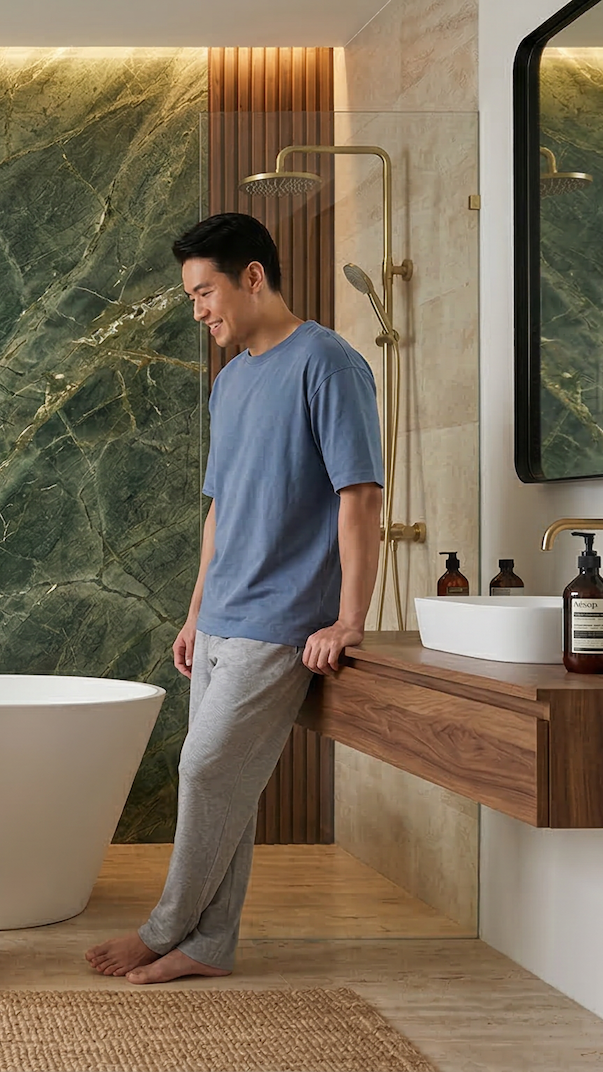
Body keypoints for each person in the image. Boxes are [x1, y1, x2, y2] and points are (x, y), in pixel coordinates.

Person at [86, 212, 383, 984]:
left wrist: (351, 619)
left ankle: (164, 930)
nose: (198, 310)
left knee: (204, 772)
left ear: (253, 276)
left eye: (205, 291)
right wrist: (192, 615)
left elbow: (359, 498)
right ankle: (209, 946)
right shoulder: (229, 383)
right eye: (190, 297)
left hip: (281, 621)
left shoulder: (330, 363)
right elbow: (218, 511)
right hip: (221, 618)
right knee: (229, 790)